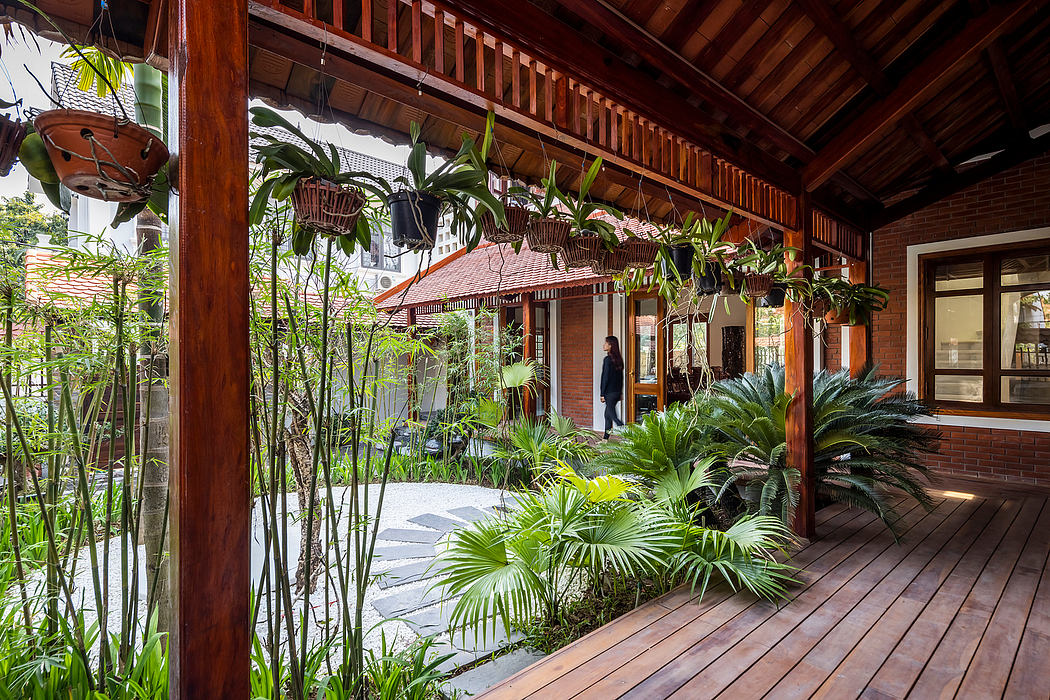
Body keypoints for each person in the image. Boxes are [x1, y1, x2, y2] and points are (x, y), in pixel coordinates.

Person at [600, 335, 625, 439]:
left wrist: (602, 394)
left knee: (614, 417)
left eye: (606, 343)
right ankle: (605, 439)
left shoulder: (607, 360)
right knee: (607, 416)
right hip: (616, 393)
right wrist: (620, 392)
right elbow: (621, 378)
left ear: (610, 346)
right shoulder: (619, 360)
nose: (604, 345)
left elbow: (605, 378)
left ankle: (628, 435)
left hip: (609, 393)